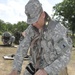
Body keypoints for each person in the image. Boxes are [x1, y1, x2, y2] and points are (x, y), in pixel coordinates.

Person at [9, 0, 72, 75]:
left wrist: (46, 71)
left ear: (43, 14)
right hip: (35, 67)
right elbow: (21, 49)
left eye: (35, 20)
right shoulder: (31, 29)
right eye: (31, 21)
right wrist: (15, 69)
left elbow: (66, 56)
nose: (33, 24)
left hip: (53, 69)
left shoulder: (57, 30)